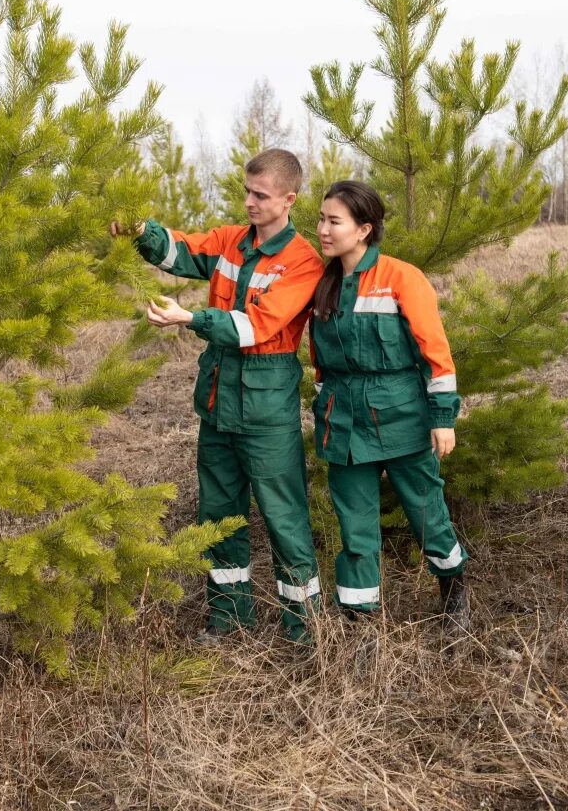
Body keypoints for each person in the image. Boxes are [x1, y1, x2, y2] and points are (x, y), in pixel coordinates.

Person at [109, 149, 325, 644]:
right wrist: (143, 230)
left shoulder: (303, 263)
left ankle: (304, 630)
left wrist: (189, 319)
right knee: (219, 512)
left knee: (283, 515)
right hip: (218, 403)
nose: (249, 202)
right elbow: (181, 251)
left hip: (266, 409)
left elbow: (258, 326)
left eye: (260, 195)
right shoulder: (231, 242)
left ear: (289, 199)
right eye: (246, 191)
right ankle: (228, 619)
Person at [308, 180, 469, 631]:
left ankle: (454, 591)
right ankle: (361, 624)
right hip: (342, 424)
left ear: (363, 229)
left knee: (426, 513)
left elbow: (435, 353)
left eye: (333, 221)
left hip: (401, 418)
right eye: (320, 218)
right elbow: (320, 362)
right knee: (355, 530)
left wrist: (443, 419)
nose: (322, 228)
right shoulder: (325, 285)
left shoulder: (401, 277)